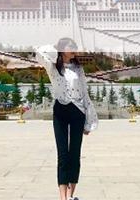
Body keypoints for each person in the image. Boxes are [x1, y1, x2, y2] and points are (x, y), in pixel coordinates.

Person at [36, 37, 98, 200]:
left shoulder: (78, 69)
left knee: (75, 154)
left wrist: (89, 122)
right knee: (63, 154)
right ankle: (62, 196)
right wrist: (56, 47)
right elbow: (39, 52)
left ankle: (71, 195)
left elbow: (85, 93)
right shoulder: (52, 67)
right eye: (71, 47)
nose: (74, 50)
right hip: (60, 112)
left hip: (78, 111)